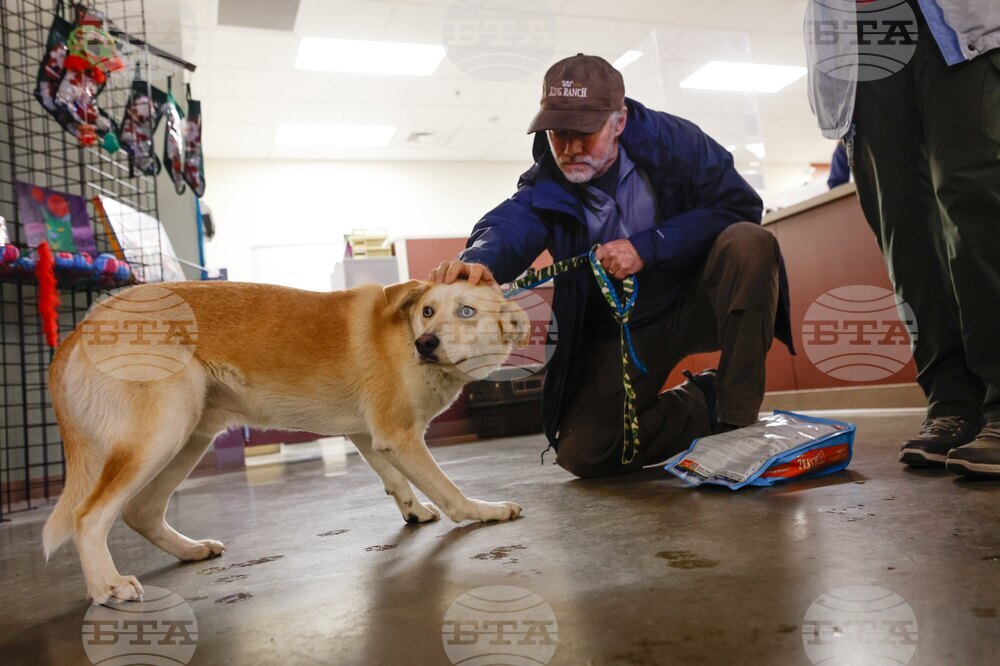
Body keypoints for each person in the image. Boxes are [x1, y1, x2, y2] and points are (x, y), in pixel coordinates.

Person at [429, 54, 794, 478]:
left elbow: (741, 205)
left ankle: (738, 421)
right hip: (630, 327)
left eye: (584, 133)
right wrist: (476, 261)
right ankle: (708, 402)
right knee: (586, 451)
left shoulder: (679, 143)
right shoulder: (548, 181)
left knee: (750, 242)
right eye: (558, 134)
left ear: (618, 122)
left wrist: (649, 246)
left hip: (701, 298)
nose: (569, 149)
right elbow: (511, 224)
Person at [806, 0, 1000, 476]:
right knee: (903, 227)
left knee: (971, 200)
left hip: (951, 20)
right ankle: (952, 401)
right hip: (858, 33)